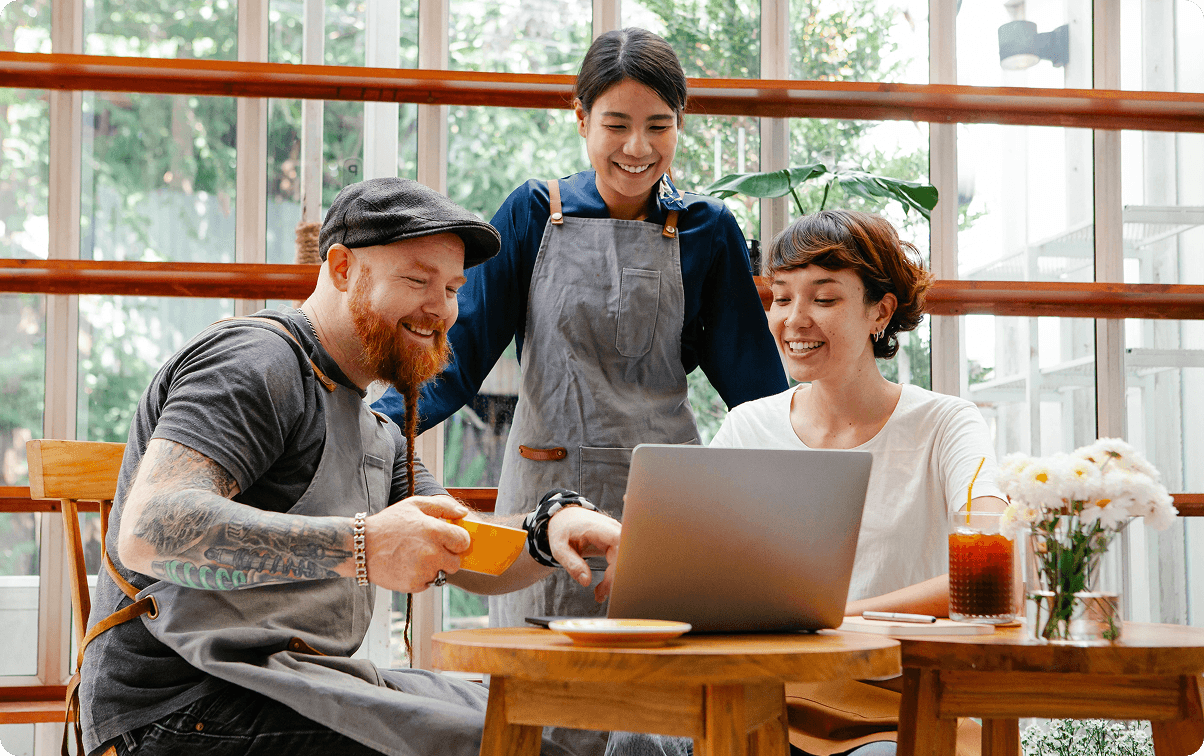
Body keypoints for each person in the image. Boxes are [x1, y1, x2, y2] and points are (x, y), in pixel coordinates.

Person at [78, 177, 621, 756]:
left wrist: (548, 529)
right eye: (417, 280)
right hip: (177, 708)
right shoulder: (256, 363)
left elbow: (465, 549)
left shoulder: (374, 427)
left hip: (293, 685)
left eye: (454, 288)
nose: (441, 309)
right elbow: (151, 529)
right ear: (340, 268)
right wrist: (363, 546)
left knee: (541, 729)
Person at [373, 27, 787, 631]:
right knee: (542, 704)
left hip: (665, 503)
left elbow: (756, 393)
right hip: (544, 503)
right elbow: (455, 361)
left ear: (680, 123)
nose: (637, 147)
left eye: (659, 125)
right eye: (616, 124)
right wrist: (371, 426)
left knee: (661, 705)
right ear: (581, 119)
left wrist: (817, 486)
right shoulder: (532, 212)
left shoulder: (709, 229)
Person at [606, 210, 1007, 756]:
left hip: (898, 702)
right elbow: (699, 572)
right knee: (637, 740)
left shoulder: (945, 424)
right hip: (765, 695)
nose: (794, 319)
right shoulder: (751, 425)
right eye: (781, 297)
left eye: (823, 298)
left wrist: (838, 618)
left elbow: (991, 564)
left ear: (879, 311)